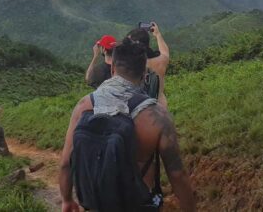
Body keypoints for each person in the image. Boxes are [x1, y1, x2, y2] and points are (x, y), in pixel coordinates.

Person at [59, 38, 196, 212]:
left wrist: (66, 199)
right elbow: (177, 175)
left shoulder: (83, 106)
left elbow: (65, 162)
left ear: (112, 68)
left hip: (95, 204)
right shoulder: (157, 116)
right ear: (145, 74)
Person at [127, 22, 170, 107]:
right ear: (148, 44)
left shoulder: (130, 64)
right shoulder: (161, 61)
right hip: (160, 106)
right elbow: (165, 52)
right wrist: (157, 34)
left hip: (140, 107)